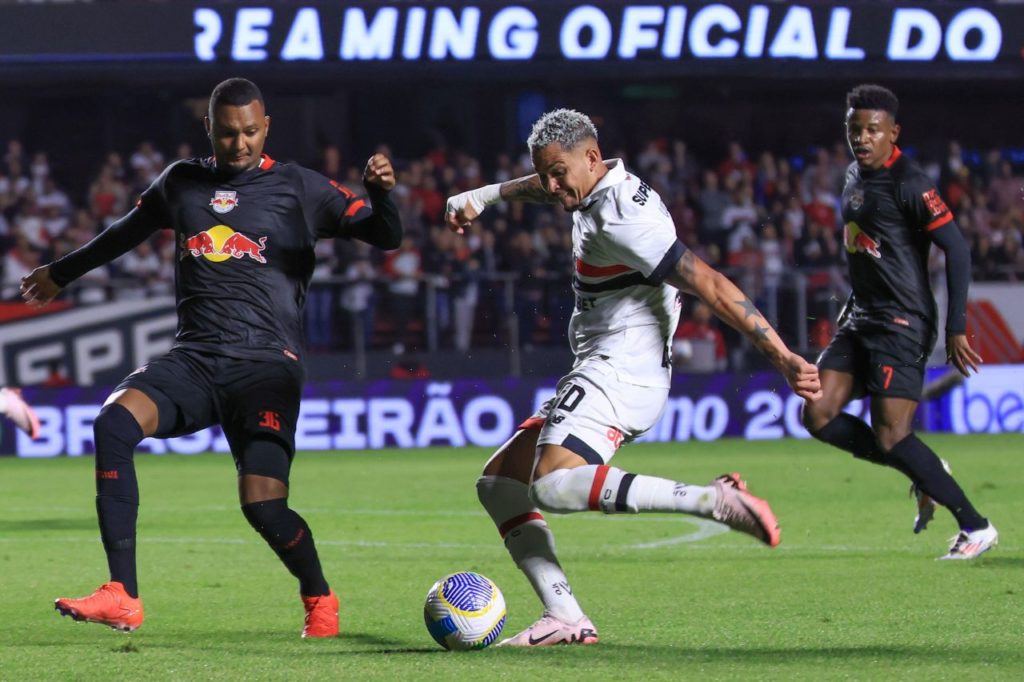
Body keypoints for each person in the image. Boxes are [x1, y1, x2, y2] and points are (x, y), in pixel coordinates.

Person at [20, 78, 402, 636]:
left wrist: (383, 196)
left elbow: (385, 237)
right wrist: (60, 273)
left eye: (249, 131)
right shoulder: (182, 183)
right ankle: (122, 593)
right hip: (195, 360)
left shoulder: (300, 186)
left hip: (267, 367)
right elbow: (123, 234)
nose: (240, 143)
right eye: (228, 133)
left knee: (264, 508)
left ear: (265, 126)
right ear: (209, 129)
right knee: (113, 423)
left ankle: (319, 596)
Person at [445, 109, 821, 647]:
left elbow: (710, 284)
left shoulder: (623, 218)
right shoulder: (591, 184)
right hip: (607, 365)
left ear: (592, 158)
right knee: (500, 484)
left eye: (559, 174)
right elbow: (543, 183)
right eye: (545, 174)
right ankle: (567, 618)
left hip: (620, 370)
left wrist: (783, 356)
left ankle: (711, 500)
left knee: (551, 485)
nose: (552, 188)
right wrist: (485, 195)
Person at [801, 84, 996, 560]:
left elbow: (958, 249)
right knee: (817, 412)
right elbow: (866, 249)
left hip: (902, 322)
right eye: (855, 129)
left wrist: (955, 327)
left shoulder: (911, 182)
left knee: (891, 434)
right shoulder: (852, 176)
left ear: (893, 133)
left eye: (872, 130)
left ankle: (976, 526)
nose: (862, 138)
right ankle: (924, 470)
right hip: (860, 317)